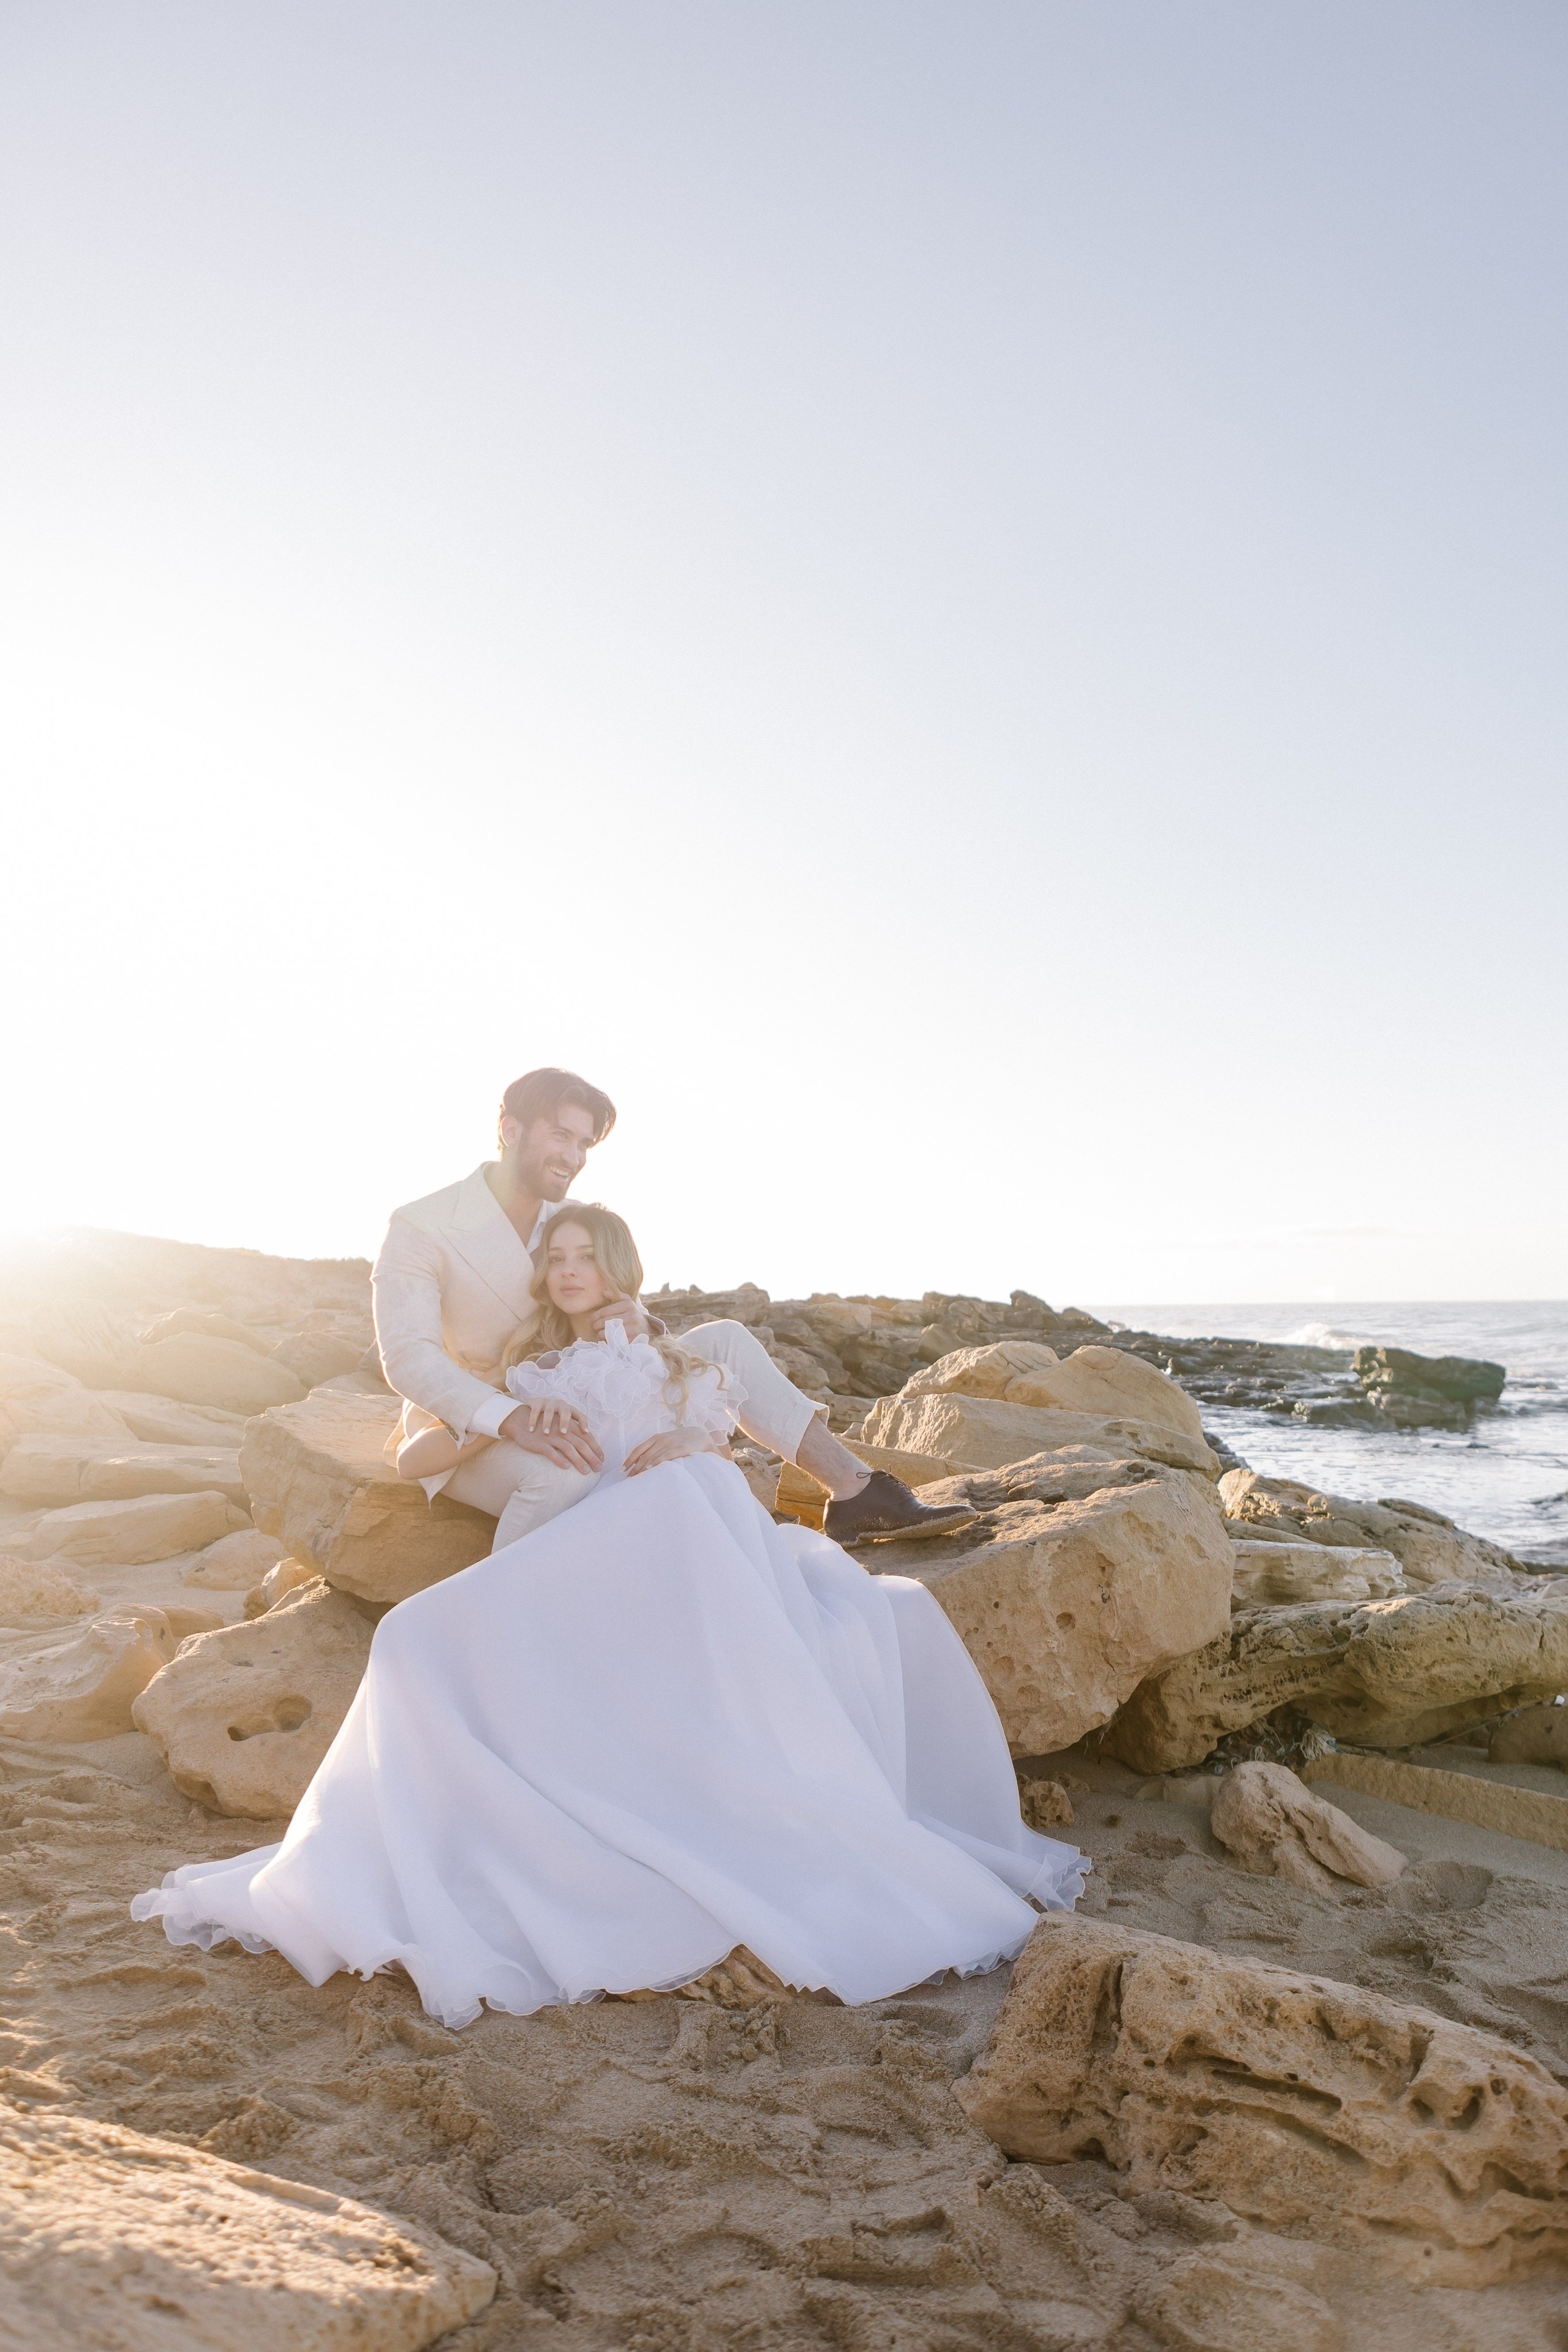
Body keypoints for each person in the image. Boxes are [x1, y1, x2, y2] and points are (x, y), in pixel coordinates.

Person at [132, 1205, 1086, 2027]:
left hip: (682, 1522)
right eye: (557, 1258)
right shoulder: (532, 1369)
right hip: (596, 1547)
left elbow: (722, 1448)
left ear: (620, 1268)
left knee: (694, 1504)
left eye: (585, 1255)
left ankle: (855, 1495)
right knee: (411, 1636)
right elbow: (416, 1454)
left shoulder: (684, 1360)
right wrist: (494, 1420)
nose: (567, 1270)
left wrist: (690, 1435)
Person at [370, 1066, 976, 1550]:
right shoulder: (424, 1225)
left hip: (582, 1390)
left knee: (727, 1341)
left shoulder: (571, 1222)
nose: (574, 1157)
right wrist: (510, 1416)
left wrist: (640, 1322)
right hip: (481, 1419)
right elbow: (407, 1356)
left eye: (584, 1143)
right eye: (562, 1135)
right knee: (565, 1473)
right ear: (510, 1129)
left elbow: (612, 1307)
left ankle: (855, 1492)